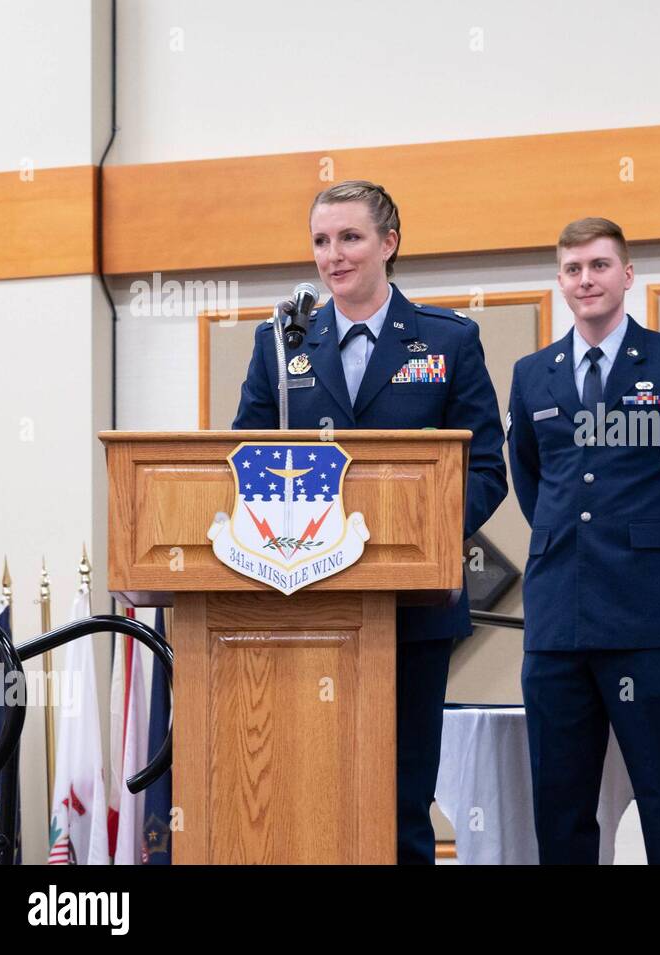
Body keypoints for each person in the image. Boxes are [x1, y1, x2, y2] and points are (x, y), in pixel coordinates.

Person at [233, 180, 507, 864]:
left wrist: (420, 537)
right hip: (307, 609)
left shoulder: (448, 340)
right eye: (321, 241)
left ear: (389, 242)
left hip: (411, 612)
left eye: (350, 237)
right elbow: (241, 462)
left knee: (398, 798)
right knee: (310, 792)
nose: (334, 255)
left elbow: (486, 470)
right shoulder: (280, 343)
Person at [506, 217, 660, 864]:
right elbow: (533, 483)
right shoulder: (531, 374)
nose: (587, 279)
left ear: (627, 274)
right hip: (557, 621)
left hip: (648, 618)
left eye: (600, 265)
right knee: (561, 801)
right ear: (560, 280)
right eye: (574, 268)